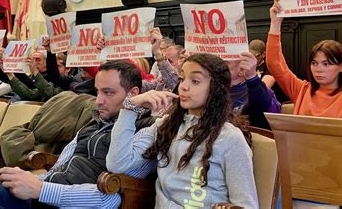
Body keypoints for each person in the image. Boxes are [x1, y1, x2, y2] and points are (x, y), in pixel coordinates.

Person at [0, 60, 155, 209]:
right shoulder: (94, 123)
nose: (98, 101)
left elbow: (114, 195)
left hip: (68, 202)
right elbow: (59, 169)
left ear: (133, 94)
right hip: (47, 196)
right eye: (98, 92)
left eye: (108, 93)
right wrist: (21, 179)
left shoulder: (146, 131)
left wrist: (40, 190)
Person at [107, 53, 259, 208]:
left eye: (195, 81)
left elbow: (247, 204)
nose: (183, 86)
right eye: (182, 78)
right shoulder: (166, 125)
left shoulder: (230, 138)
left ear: (216, 88)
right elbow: (117, 163)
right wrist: (130, 108)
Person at [227, 51, 281, 129]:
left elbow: (263, 115)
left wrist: (252, 78)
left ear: (241, 70)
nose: (218, 67)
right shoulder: (215, 91)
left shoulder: (259, 92)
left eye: (225, 64)